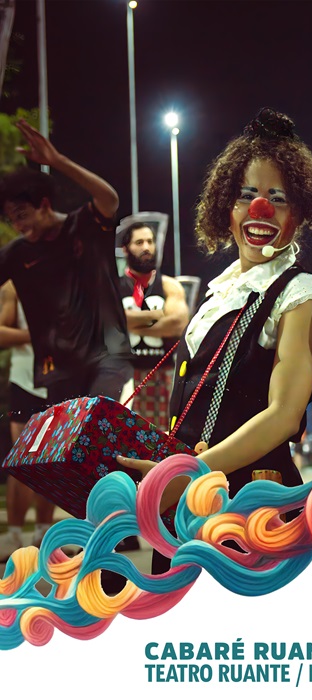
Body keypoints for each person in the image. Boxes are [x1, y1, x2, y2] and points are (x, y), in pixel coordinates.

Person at [116, 109, 312, 571]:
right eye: (246, 195)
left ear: (300, 213)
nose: (260, 208)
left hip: (250, 507)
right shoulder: (219, 291)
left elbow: (285, 415)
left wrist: (191, 474)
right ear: (225, 207)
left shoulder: (298, 292)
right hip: (186, 505)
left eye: (278, 198)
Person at [0, 120, 132, 407]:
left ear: (45, 205)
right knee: (65, 436)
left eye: (22, 215)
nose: (19, 226)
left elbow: (109, 199)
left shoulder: (85, 225)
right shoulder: (17, 253)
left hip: (107, 357)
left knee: (89, 422)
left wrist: (58, 161)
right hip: (58, 368)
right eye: (12, 220)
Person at [0, 280, 53, 562]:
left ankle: (44, 535)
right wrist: (38, 334)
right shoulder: (15, 285)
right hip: (25, 381)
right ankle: (14, 536)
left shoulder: (74, 278)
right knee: (21, 463)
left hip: (61, 380)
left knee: (53, 461)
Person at [119, 222, 189, 432]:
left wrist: (131, 324)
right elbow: (108, 320)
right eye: (139, 242)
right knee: (127, 436)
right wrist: (157, 316)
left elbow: (178, 324)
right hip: (125, 373)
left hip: (163, 372)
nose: (147, 247)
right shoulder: (112, 285)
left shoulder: (169, 285)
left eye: (150, 241)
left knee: (166, 436)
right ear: (126, 249)